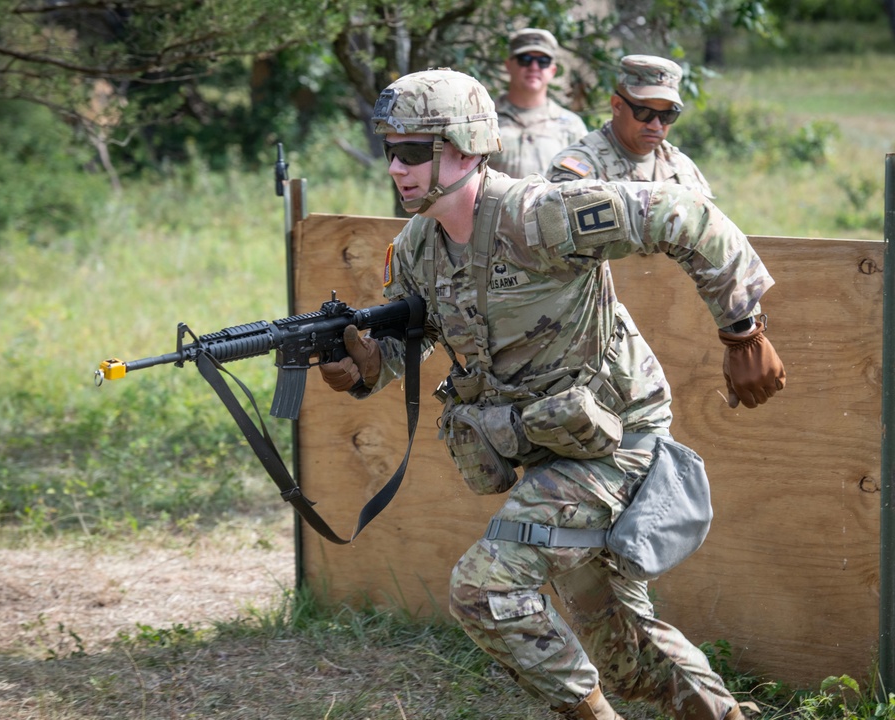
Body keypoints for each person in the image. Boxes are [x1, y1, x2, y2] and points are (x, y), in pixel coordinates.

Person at [318, 68, 785, 719]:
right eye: (391, 151)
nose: (397, 168)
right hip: (548, 448)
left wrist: (742, 333)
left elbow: (688, 216)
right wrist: (365, 365)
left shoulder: (543, 217)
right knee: (621, 641)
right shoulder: (419, 247)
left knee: (484, 590)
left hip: (614, 439)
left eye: (414, 152)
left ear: (466, 147)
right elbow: (412, 340)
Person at [547, 54, 713, 197]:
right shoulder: (579, 171)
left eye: (667, 116)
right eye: (644, 113)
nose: (655, 125)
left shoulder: (682, 168)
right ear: (617, 105)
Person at [487, 28, 588, 179]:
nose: (534, 67)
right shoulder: (485, 118)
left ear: (552, 71)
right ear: (508, 65)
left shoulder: (571, 126)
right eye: (525, 59)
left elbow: (582, 183)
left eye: (543, 62)